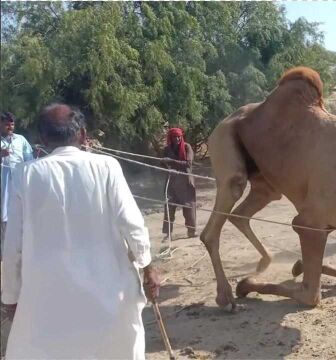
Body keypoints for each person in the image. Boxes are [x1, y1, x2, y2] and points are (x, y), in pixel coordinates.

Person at [1, 104, 161, 358]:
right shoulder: (107, 167)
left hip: (48, 305)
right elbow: (133, 225)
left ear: (42, 139)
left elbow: (13, 247)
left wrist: (10, 295)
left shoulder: (26, 175)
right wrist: (148, 265)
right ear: (84, 135)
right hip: (110, 301)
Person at [1, 111, 33, 261]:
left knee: (19, 214)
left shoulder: (21, 140)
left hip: (18, 184)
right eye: (7, 123)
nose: (10, 126)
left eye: (12, 123)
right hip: (3, 185)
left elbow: (29, 160)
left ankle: (18, 251)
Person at [162, 127, 197, 239]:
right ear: (170, 138)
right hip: (171, 182)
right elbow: (163, 163)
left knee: (189, 207)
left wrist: (171, 161)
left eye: (179, 137)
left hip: (186, 182)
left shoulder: (187, 147)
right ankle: (168, 234)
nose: (177, 139)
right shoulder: (167, 149)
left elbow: (188, 164)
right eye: (174, 137)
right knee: (169, 207)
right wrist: (164, 164)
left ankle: (191, 232)